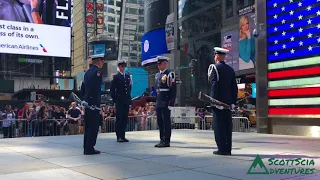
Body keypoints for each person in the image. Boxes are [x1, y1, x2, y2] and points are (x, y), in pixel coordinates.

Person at [208, 47, 238, 156]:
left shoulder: (214, 68)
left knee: (218, 126)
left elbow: (214, 86)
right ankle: (228, 149)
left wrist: (214, 101)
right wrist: (233, 102)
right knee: (227, 126)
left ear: (216, 56)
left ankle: (221, 148)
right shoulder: (230, 69)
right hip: (228, 104)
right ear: (224, 56)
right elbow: (234, 88)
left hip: (218, 103)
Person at [81, 54, 104, 155]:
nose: (102, 63)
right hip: (94, 104)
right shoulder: (97, 72)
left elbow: (83, 88)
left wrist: (84, 99)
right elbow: (95, 89)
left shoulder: (87, 73)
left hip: (87, 103)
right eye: (102, 60)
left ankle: (86, 147)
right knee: (93, 127)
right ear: (98, 61)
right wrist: (94, 102)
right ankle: (90, 148)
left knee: (88, 126)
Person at [154, 56, 177, 148]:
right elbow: (157, 90)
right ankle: (161, 139)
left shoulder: (170, 74)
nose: (159, 65)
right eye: (158, 64)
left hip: (166, 101)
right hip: (159, 101)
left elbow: (173, 90)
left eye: (161, 63)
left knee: (166, 122)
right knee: (160, 122)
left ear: (166, 63)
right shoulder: (157, 75)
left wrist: (171, 103)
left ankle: (166, 141)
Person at [110, 60, 132, 143]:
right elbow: (112, 89)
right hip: (119, 100)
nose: (122, 67)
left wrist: (129, 100)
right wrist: (114, 100)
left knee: (125, 119)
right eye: (121, 66)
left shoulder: (127, 76)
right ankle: (119, 136)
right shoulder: (116, 76)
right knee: (119, 118)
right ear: (119, 67)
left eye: (124, 66)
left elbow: (129, 88)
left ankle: (123, 135)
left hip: (126, 100)